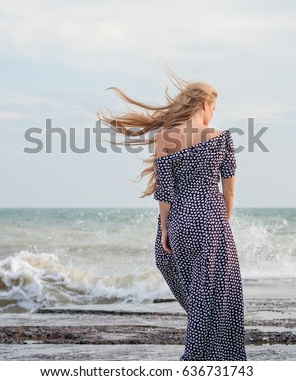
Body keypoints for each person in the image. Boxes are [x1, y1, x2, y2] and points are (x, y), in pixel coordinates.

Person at [97, 69, 247, 361]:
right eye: (213, 108)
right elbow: (229, 193)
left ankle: (202, 355)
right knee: (221, 293)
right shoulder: (221, 138)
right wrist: (221, 224)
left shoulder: (165, 139)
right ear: (204, 104)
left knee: (197, 293)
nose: (213, 115)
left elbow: (164, 194)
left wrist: (166, 230)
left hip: (180, 223)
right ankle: (211, 360)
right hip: (211, 220)